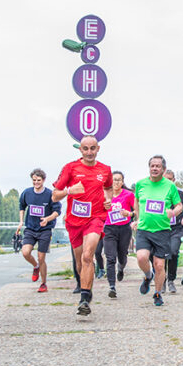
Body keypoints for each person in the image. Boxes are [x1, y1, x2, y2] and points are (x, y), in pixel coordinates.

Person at [53, 135, 113, 316]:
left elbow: (109, 188)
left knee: (88, 255)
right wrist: (70, 191)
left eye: (92, 148)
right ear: (80, 149)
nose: (89, 152)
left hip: (96, 218)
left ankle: (84, 298)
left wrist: (108, 199)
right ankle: (85, 286)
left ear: (98, 149)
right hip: (74, 221)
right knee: (80, 262)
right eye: (85, 148)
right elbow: (55, 195)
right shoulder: (70, 168)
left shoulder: (105, 170)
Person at [133, 155, 183, 307]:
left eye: (158, 166)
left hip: (162, 230)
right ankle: (148, 276)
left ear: (163, 169)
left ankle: (158, 293)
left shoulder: (170, 186)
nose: (154, 168)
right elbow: (136, 201)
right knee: (141, 257)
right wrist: (138, 216)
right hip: (144, 229)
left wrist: (173, 213)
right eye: (152, 166)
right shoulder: (141, 184)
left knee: (159, 265)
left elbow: (179, 205)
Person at [17, 168, 60, 293]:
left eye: (39, 180)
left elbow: (57, 211)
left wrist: (48, 218)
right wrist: (21, 222)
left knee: (42, 258)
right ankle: (35, 266)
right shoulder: (27, 193)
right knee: (25, 252)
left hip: (44, 229)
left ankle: (43, 283)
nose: (36, 183)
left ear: (44, 180)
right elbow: (22, 207)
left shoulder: (50, 194)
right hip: (30, 228)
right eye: (34, 180)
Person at [103, 170, 135, 299]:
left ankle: (121, 268)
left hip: (124, 229)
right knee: (110, 258)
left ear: (122, 182)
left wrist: (130, 214)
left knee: (122, 256)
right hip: (109, 229)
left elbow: (136, 211)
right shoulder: (104, 195)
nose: (116, 182)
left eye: (118, 180)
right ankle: (112, 286)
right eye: (113, 179)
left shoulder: (128, 195)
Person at [163, 169, 183, 294]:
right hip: (161, 228)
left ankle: (171, 280)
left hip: (176, 229)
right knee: (161, 255)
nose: (168, 181)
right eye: (166, 179)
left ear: (174, 180)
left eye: (170, 179)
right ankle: (162, 280)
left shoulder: (181, 193)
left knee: (174, 252)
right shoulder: (157, 192)